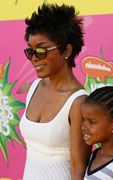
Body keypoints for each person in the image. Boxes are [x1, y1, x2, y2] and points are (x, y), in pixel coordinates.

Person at [19, 2, 91, 180]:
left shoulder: (79, 101)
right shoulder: (34, 87)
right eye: (30, 51)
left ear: (66, 50)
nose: (34, 58)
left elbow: (78, 168)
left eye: (41, 51)